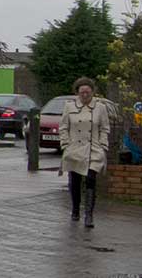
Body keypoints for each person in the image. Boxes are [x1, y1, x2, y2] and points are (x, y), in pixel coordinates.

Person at [58, 77, 112, 228]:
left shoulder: (100, 108)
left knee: (90, 179)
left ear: (93, 92)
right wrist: (66, 144)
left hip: (93, 149)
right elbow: (63, 127)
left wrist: (102, 146)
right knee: (74, 181)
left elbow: (104, 128)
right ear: (77, 93)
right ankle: (75, 210)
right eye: (82, 92)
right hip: (74, 149)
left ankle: (89, 215)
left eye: (88, 92)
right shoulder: (69, 107)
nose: (85, 95)